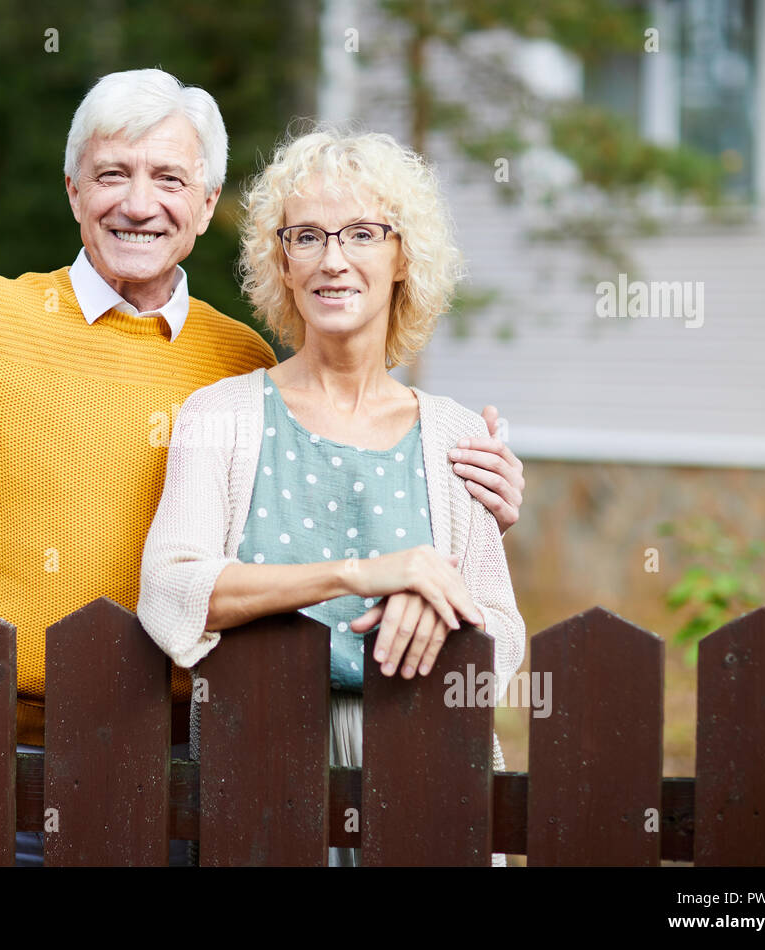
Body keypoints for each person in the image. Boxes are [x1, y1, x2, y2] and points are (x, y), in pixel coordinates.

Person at [0, 69, 525, 865]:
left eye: (169, 178)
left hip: (200, 765)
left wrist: (478, 500)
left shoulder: (239, 363)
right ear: (73, 189)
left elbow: (341, 514)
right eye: (112, 174)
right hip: (3, 762)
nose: (138, 204)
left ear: (208, 199)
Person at [137, 128, 526, 867]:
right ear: (282, 262)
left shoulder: (454, 434)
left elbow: (502, 636)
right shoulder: (219, 417)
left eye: (362, 234)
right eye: (307, 236)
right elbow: (170, 590)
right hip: (258, 770)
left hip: (425, 767)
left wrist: (441, 603)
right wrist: (362, 575)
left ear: (403, 255)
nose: (333, 259)